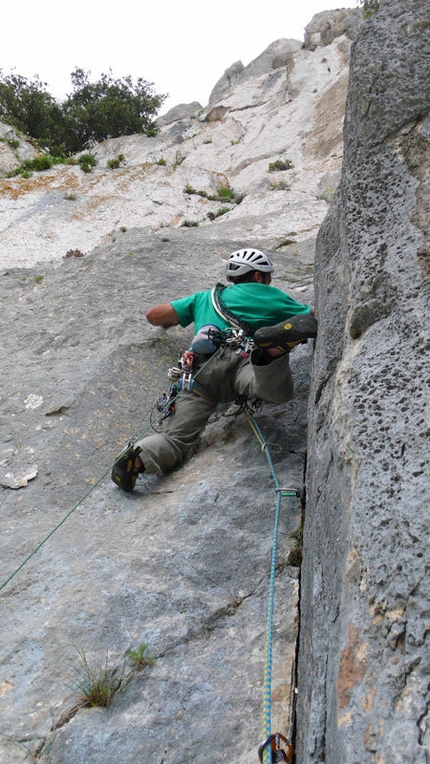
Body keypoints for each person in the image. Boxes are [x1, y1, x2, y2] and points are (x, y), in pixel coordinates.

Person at [112, 248, 317, 492]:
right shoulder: (268, 295)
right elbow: (309, 317)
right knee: (274, 390)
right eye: (267, 278)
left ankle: (137, 458)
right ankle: (271, 354)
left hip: (198, 372)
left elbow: (153, 315)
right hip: (239, 362)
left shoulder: (204, 298)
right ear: (258, 277)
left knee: (176, 440)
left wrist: (175, 319)